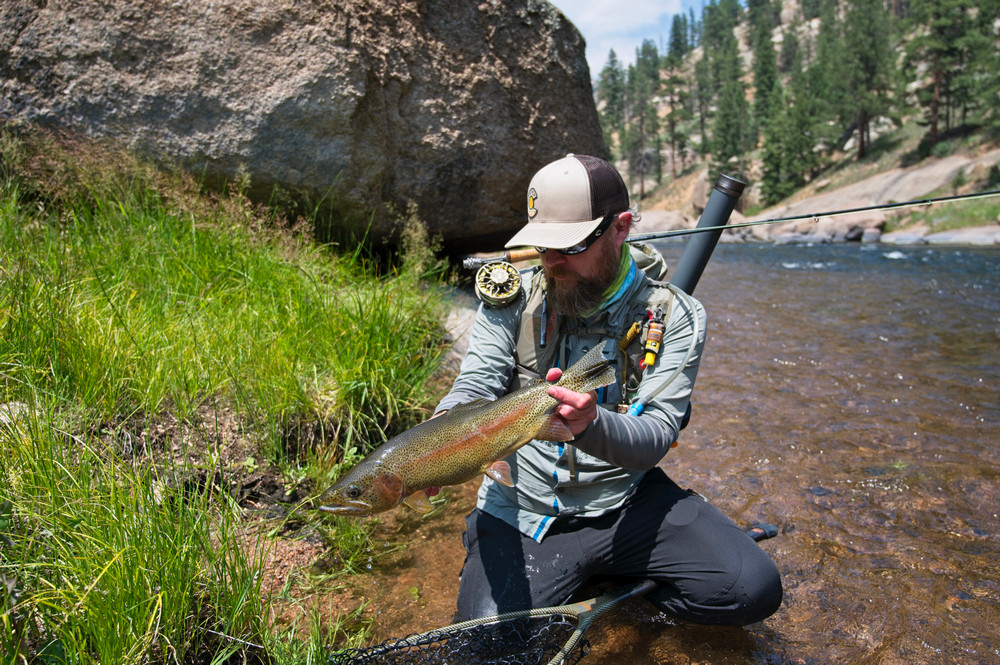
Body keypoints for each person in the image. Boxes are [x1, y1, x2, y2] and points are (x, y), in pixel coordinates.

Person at [434, 154, 782, 625]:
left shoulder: (675, 316)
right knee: (491, 644)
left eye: (569, 246)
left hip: (625, 500)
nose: (551, 262)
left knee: (750, 589)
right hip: (521, 510)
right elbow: (476, 383)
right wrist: (440, 435)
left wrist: (590, 423)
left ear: (620, 228)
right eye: (542, 246)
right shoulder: (511, 297)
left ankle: (621, 586)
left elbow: (657, 435)